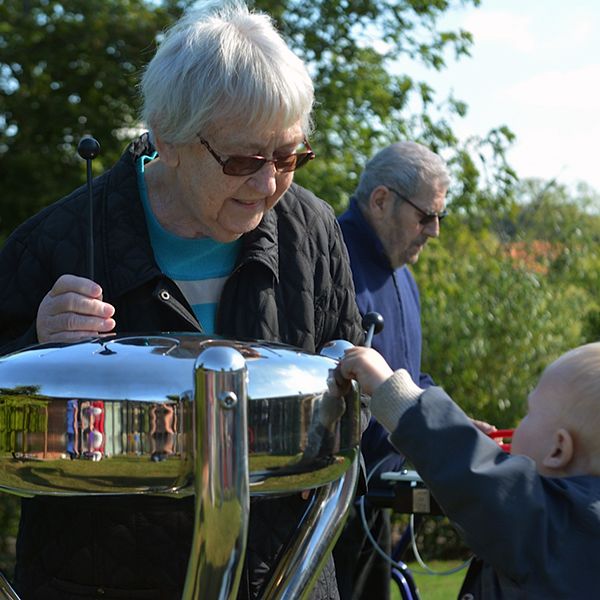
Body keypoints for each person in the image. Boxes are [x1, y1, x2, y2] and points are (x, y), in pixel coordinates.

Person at [0, 1, 364, 598]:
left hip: (282, 579)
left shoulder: (315, 231)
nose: (269, 184)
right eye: (244, 159)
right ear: (167, 139)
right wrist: (32, 348)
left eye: (289, 156)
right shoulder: (55, 243)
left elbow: (352, 381)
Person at [336, 343, 600, 599]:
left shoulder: (560, 527)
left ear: (558, 450)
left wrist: (394, 393)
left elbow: (474, 473)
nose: (520, 423)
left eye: (529, 413)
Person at [334, 141, 450, 599]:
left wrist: (450, 422)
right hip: (324, 509)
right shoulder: (328, 258)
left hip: (374, 507)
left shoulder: (404, 276)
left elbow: (410, 379)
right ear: (381, 200)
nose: (435, 231)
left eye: (441, 216)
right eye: (426, 216)